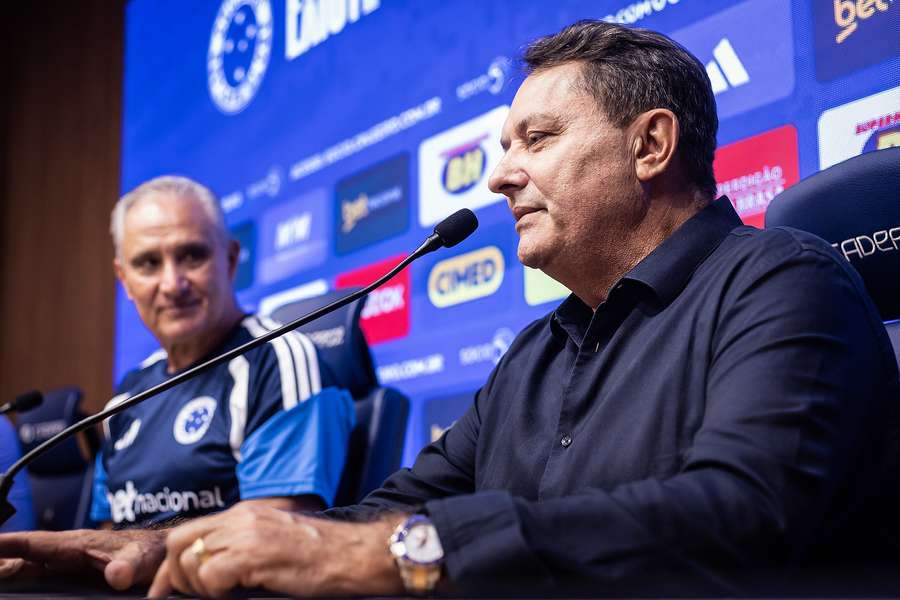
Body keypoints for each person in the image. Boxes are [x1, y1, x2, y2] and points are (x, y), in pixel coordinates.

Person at [4, 20, 899, 597]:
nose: (503, 174)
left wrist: (409, 556)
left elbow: (736, 518)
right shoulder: (538, 352)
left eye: (537, 140)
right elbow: (384, 511)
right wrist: (185, 548)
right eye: (503, 146)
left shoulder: (785, 282)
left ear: (651, 145)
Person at [0, 176, 355, 588]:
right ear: (124, 279)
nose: (172, 284)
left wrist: (141, 547)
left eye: (191, 255)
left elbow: (278, 532)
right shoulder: (127, 395)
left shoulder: (276, 360)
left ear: (231, 259)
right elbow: (110, 535)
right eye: (148, 263)